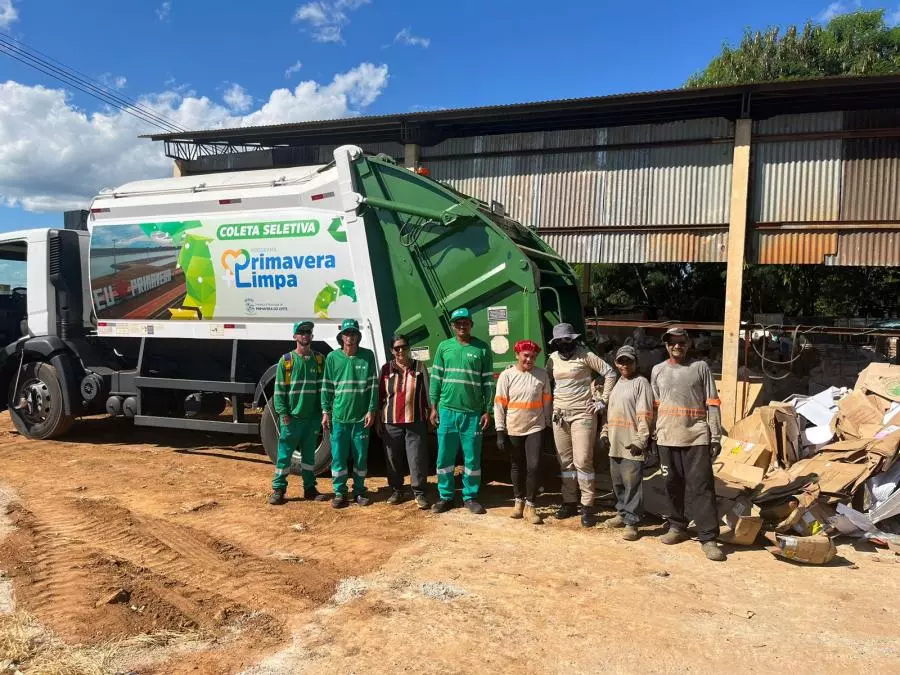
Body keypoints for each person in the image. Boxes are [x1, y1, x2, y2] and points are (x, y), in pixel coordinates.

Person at [651, 326, 725, 562]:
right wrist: (653, 434)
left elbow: (712, 402)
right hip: (667, 436)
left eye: (681, 342)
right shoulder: (657, 370)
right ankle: (677, 526)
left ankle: (708, 537)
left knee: (701, 486)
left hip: (696, 437)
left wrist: (714, 436)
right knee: (672, 483)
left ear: (688, 343)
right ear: (666, 345)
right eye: (672, 342)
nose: (677, 346)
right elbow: (655, 406)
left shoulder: (700, 368)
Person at [546, 322, 617, 528]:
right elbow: (545, 379)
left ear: (573, 339)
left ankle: (587, 505)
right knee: (565, 462)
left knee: (583, 461)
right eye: (559, 341)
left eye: (567, 340)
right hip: (559, 415)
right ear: (555, 342)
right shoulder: (552, 360)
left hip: (583, 415)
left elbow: (610, 373)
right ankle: (569, 501)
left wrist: (602, 400)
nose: (564, 344)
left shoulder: (585, 355)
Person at [429, 307, 493, 515]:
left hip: (472, 413)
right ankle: (445, 496)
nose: (462, 325)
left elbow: (487, 383)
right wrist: (433, 406)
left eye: (465, 322)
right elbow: (436, 378)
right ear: (453, 326)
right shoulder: (444, 347)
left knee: (472, 458)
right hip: (447, 411)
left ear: (471, 324)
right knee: (444, 458)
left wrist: (487, 410)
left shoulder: (482, 349)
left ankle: (470, 497)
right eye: (458, 323)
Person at [268, 321, 329, 505]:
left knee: (309, 456)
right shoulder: (286, 361)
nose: (305, 335)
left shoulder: (319, 360)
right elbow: (279, 390)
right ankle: (278, 489)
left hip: (312, 418)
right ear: (294, 336)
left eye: (308, 332)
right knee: (284, 455)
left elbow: (323, 388)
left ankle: (309, 488)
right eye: (301, 332)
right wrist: (283, 413)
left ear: (312, 335)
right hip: (292, 418)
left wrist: (323, 411)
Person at [321, 319, 379, 509]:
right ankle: (340, 493)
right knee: (338, 457)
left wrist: (371, 410)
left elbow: (372, 386)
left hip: (361, 418)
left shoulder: (367, 356)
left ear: (358, 336)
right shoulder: (332, 358)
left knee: (360, 457)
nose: (350, 337)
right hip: (339, 418)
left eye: (353, 334)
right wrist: (325, 411)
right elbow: (327, 387)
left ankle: (360, 491)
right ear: (341, 337)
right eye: (347, 334)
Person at [494, 340, 552, 525]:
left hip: (536, 427)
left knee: (533, 466)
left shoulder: (542, 375)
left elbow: (547, 402)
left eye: (533, 356)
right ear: (517, 355)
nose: (529, 359)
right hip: (513, 428)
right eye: (526, 355)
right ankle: (518, 501)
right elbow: (499, 405)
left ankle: (531, 505)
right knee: (516, 465)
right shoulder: (507, 376)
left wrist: (548, 425)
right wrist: (500, 431)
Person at [599, 345, 653, 540]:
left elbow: (645, 414)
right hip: (615, 442)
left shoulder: (641, 383)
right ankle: (622, 513)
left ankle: (632, 522)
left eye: (629, 361)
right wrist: (604, 433)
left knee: (633, 484)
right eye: (621, 361)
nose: (625, 365)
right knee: (618, 483)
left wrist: (641, 440)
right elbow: (609, 413)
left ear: (635, 362)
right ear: (615, 363)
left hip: (632, 443)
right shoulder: (615, 384)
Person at [378, 334, 431, 509]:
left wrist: (431, 413)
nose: (401, 351)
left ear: (408, 348)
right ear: (391, 351)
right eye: (397, 348)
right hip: (391, 421)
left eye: (404, 347)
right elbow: (380, 396)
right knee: (392, 458)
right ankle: (396, 490)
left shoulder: (419, 367)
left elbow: (428, 394)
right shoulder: (386, 369)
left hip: (415, 420)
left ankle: (419, 492)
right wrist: (379, 419)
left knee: (416, 458)